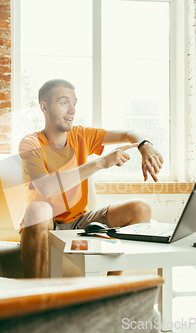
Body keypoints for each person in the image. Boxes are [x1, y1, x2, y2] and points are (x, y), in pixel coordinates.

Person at [19, 79, 164, 278]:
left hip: (80, 220)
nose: (71, 110)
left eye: (74, 103)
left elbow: (128, 133)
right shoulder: (31, 143)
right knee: (38, 209)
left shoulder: (82, 135)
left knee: (141, 208)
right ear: (44, 107)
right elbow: (46, 187)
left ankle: (109, 289)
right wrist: (99, 163)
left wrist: (144, 145)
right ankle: (32, 296)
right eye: (63, 103)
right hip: (45, 222)